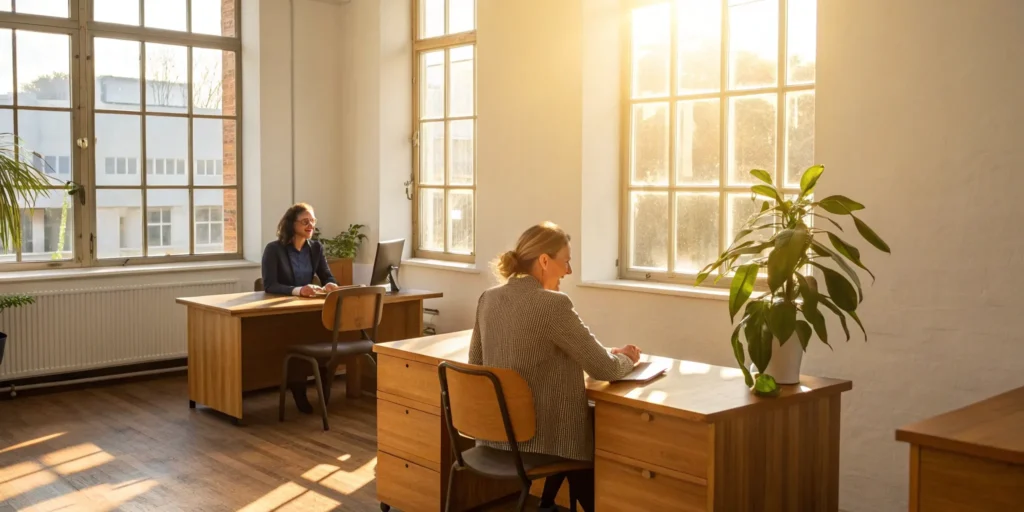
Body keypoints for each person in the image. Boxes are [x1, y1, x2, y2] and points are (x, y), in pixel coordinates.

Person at [467, 222, 641, 512]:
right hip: (541, 440)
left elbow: (476, 365)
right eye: (567, 261)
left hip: (495, 437)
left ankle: (548, 503)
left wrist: (604, 352)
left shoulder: (489, 299)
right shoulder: (552, 305)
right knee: (606, 433)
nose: (569, 271)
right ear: (544, 261)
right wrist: (627, 358)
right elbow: (606, 370)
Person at [262, 202, 343, 413]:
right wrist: (299, 290)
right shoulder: (274, 250)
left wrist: (330, 283)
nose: (310, 226)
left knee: (326, 340)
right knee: (296, 341)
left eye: (312, 221)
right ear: (292, 224)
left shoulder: (315, 248)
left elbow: (327, 275)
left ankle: (324, 396)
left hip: (310, 312)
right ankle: (299, 394)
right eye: (305, 221)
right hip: (283, 312)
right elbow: (270, 285)